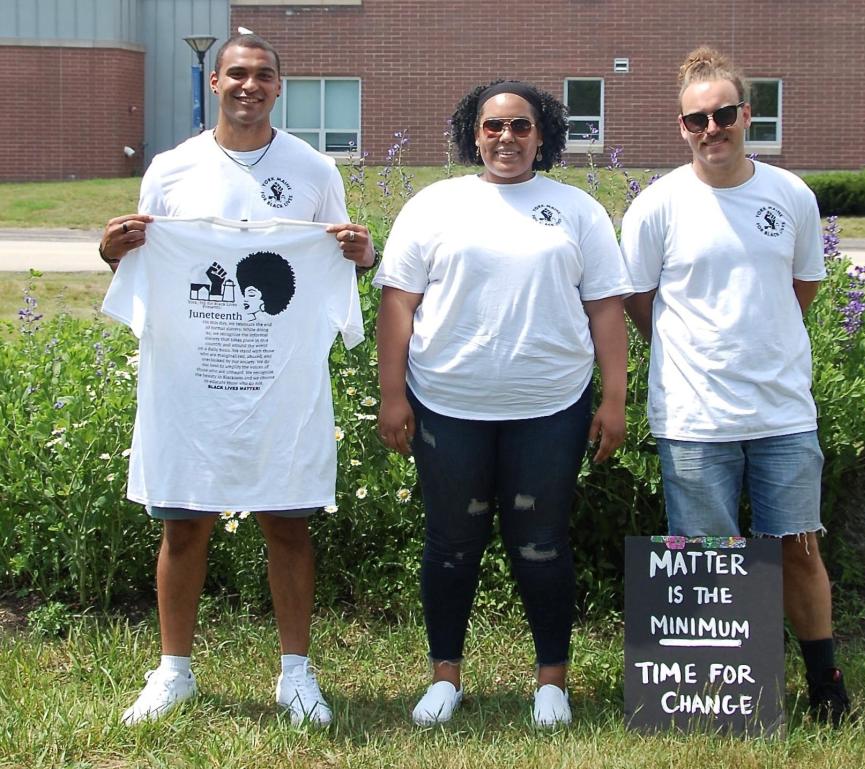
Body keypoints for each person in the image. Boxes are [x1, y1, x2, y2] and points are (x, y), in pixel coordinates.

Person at [98, 33, 374, 727]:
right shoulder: (171, 168)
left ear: (279, 86)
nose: (251, 85)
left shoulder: (312, 170)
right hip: (191, 381)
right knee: (183, 522)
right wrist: (112, 250)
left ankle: (296, 674)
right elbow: (143, 261)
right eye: (238, 74)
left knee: (288, 519)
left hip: (281, 380)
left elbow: (339, 261)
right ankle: (173, 670)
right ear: (214, 81)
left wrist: (361, 257)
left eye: (265, 76)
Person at [374, 80, 631, 727]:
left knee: (541, 543)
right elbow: (397, 304)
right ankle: (444, 678)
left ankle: (551, 683)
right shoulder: (435, 206)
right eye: (493, 126)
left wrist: (615, 399)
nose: (506, 138)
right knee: (452, 544)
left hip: (550, 408)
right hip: (449, 405)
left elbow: (606, 308)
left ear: (542, 135)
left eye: (520, 127)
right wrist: (392, 394)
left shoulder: (577, 211)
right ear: (474, 133)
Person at [620, 47, 852, 726]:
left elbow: (801, 287)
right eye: (697, 119)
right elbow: (640, 301)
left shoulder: (791, 196)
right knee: (709, 562)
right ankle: (730, 699)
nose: (711, 127)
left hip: (783, 412)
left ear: (747, 115)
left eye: (723, 114)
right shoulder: (657, 206)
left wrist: (763, 343)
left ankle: (825, 683)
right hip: (693, 417)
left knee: (799, 547)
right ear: (681, 126)